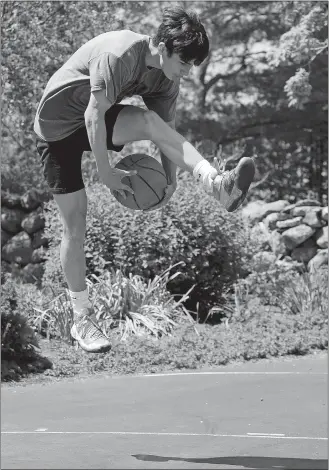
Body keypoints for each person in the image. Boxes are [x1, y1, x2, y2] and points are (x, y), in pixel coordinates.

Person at [34, 6, 255, 353]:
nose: (187, 72)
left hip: (94, 120)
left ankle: (217, 183)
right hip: (56, 129)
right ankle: (82, 319)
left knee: (150, 120)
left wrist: (170, 182)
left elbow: (164, 135)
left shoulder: (167, 80)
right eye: (184, 62)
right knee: (75, 225)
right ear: (164, 46)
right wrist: (106, 172)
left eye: (192, 66)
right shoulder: (119, 53)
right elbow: (94, 114)